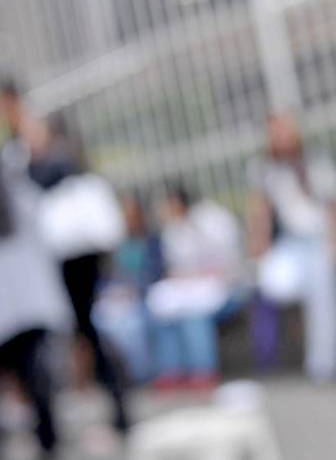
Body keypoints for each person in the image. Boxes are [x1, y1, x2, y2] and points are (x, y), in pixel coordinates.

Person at [21, 107, 130, 434]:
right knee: (83, 334)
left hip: (73, 266)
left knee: (86, 332)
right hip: (63, 267)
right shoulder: (44, 169)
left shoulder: (53, 168)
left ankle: (113, 403)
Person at [0, 78, 70, 460]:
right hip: (21, 293)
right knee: (30, 368)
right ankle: (46, 441)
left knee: (30, 368)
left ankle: (46, 440)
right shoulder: (15, 166)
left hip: (21, 293)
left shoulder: (18, 161)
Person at [247, 113, 336, 380]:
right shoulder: (265, 169)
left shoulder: (316, 162)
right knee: (274, 285)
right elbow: (261, 209)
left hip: (318, 240)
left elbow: (334, 206)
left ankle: (323, 367)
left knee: (324, 304)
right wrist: (259, 241)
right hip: (290, 243)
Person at [148, 186, 243, 391]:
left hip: (226, 289)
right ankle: (171, 371)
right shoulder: (172, 229)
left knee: (194, 314)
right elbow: (176, 268)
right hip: (189, 289)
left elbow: (227, 264)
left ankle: (203, 371)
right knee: (166, 313)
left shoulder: (214, 220)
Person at [93, 195, 164, 384]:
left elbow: (155, 273)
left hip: (141, 297)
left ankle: (142, 376)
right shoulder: (114, 245)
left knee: (132, 327)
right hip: (115, 299)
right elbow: (104, 277)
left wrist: (134, 290)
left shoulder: (151, 241)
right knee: (100, 321)